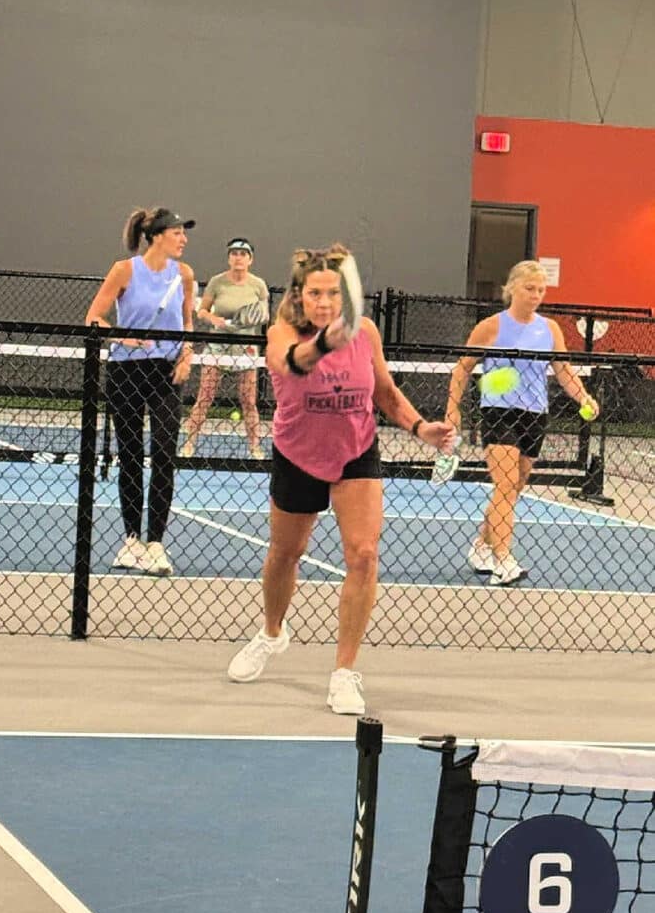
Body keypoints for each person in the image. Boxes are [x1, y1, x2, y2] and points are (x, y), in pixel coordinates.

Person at [227, 244, 455, 715]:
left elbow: (387, 394)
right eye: (316, 293)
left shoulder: (365, 332)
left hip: (356, 452)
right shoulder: (280, 331)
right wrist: (328, 340)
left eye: (334, 292)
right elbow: (293, 363)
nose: (326, 301)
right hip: (297, 453)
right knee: (286, 553)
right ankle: (272, 633)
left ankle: (344, 672)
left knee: (364, 554)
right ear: (300, 295)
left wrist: (421, 428)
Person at [445, 260, 599, 586]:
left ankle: (480, 547)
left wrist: (583, 397)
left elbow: (563, 370)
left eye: (541, 290)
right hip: (498, 412)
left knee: (514, 487)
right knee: (504, 484)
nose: (536, 295)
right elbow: (462, 368)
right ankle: (503, 561)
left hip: (535, 415)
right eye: (530, 288)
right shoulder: (491, 327)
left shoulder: (550, 329)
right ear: (513, 288)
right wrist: (452, 410)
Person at [85, 207, 196, 575]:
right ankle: (131, 540)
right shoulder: (125, 270)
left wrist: (187, 355)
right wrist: (123, 337)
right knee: (130, 454)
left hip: (166, 373)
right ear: (159, 235)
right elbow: (94, 317)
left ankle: (156, 545)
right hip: (126, 371)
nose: (184, 239)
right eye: (178, 232)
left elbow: (188, 322)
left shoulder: (184, 275)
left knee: (164, 454)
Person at [180, 238, 268, 459]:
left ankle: (255, 447)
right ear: (229, 257)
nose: (238, 257)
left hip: (246, 348)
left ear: (250, 259)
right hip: (217, 347)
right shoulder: (217, 282)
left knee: (248, 401)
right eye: (234, 253)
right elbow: (202, 312)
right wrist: (215, 320)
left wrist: (246, 322)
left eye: (243, 254)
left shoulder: (258, 285)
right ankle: (189, 444)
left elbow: (263, 314)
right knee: (205, 396)